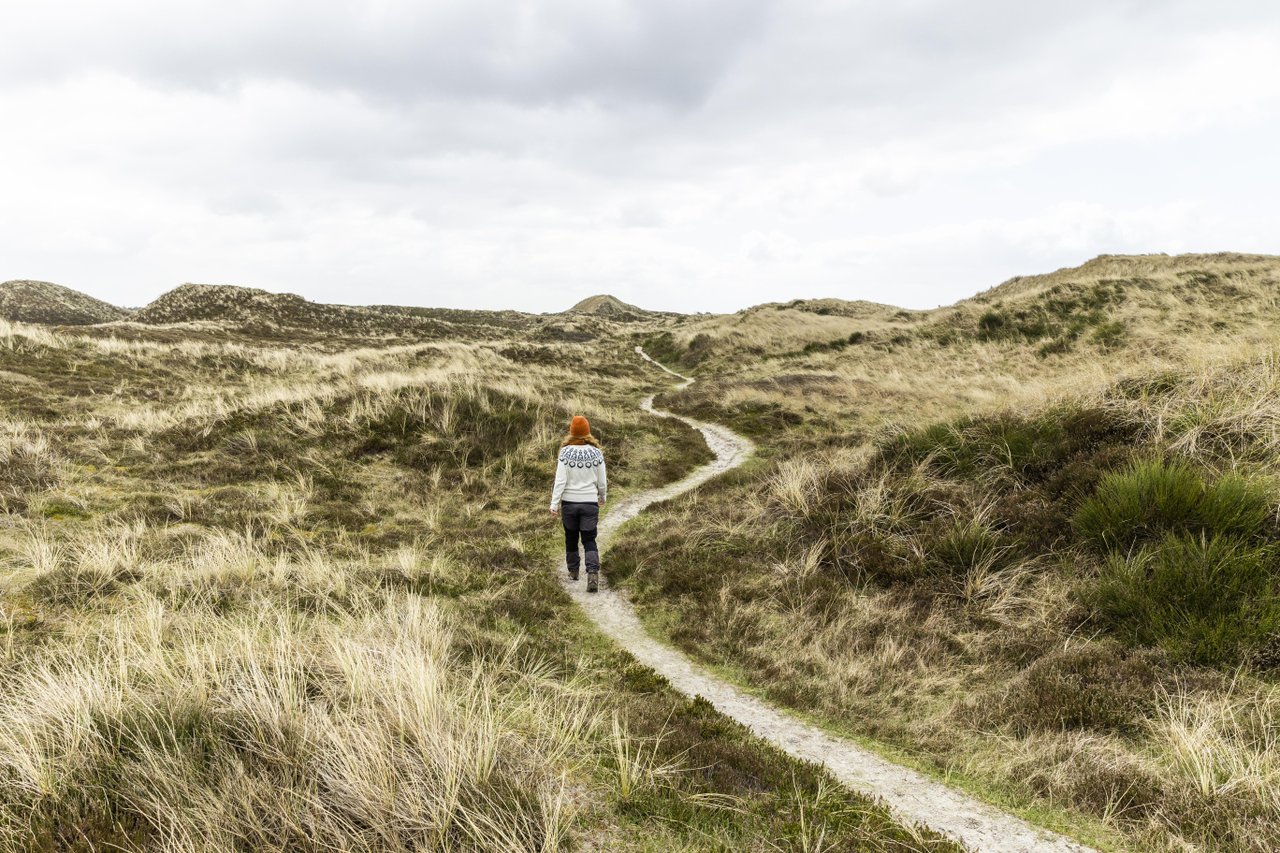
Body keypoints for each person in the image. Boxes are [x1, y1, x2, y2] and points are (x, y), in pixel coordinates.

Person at [550, 415, 607, 592]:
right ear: (587, 431)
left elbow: (560, 481)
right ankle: (592, 573)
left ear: (571, 432)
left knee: (571, 537)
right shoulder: (596, 453)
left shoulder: (565, 453)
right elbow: (602, 481)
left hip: (569, 504)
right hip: (589, 503)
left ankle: (574, 571)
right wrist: (602, 496)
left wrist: (554, 503)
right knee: (589, 539)